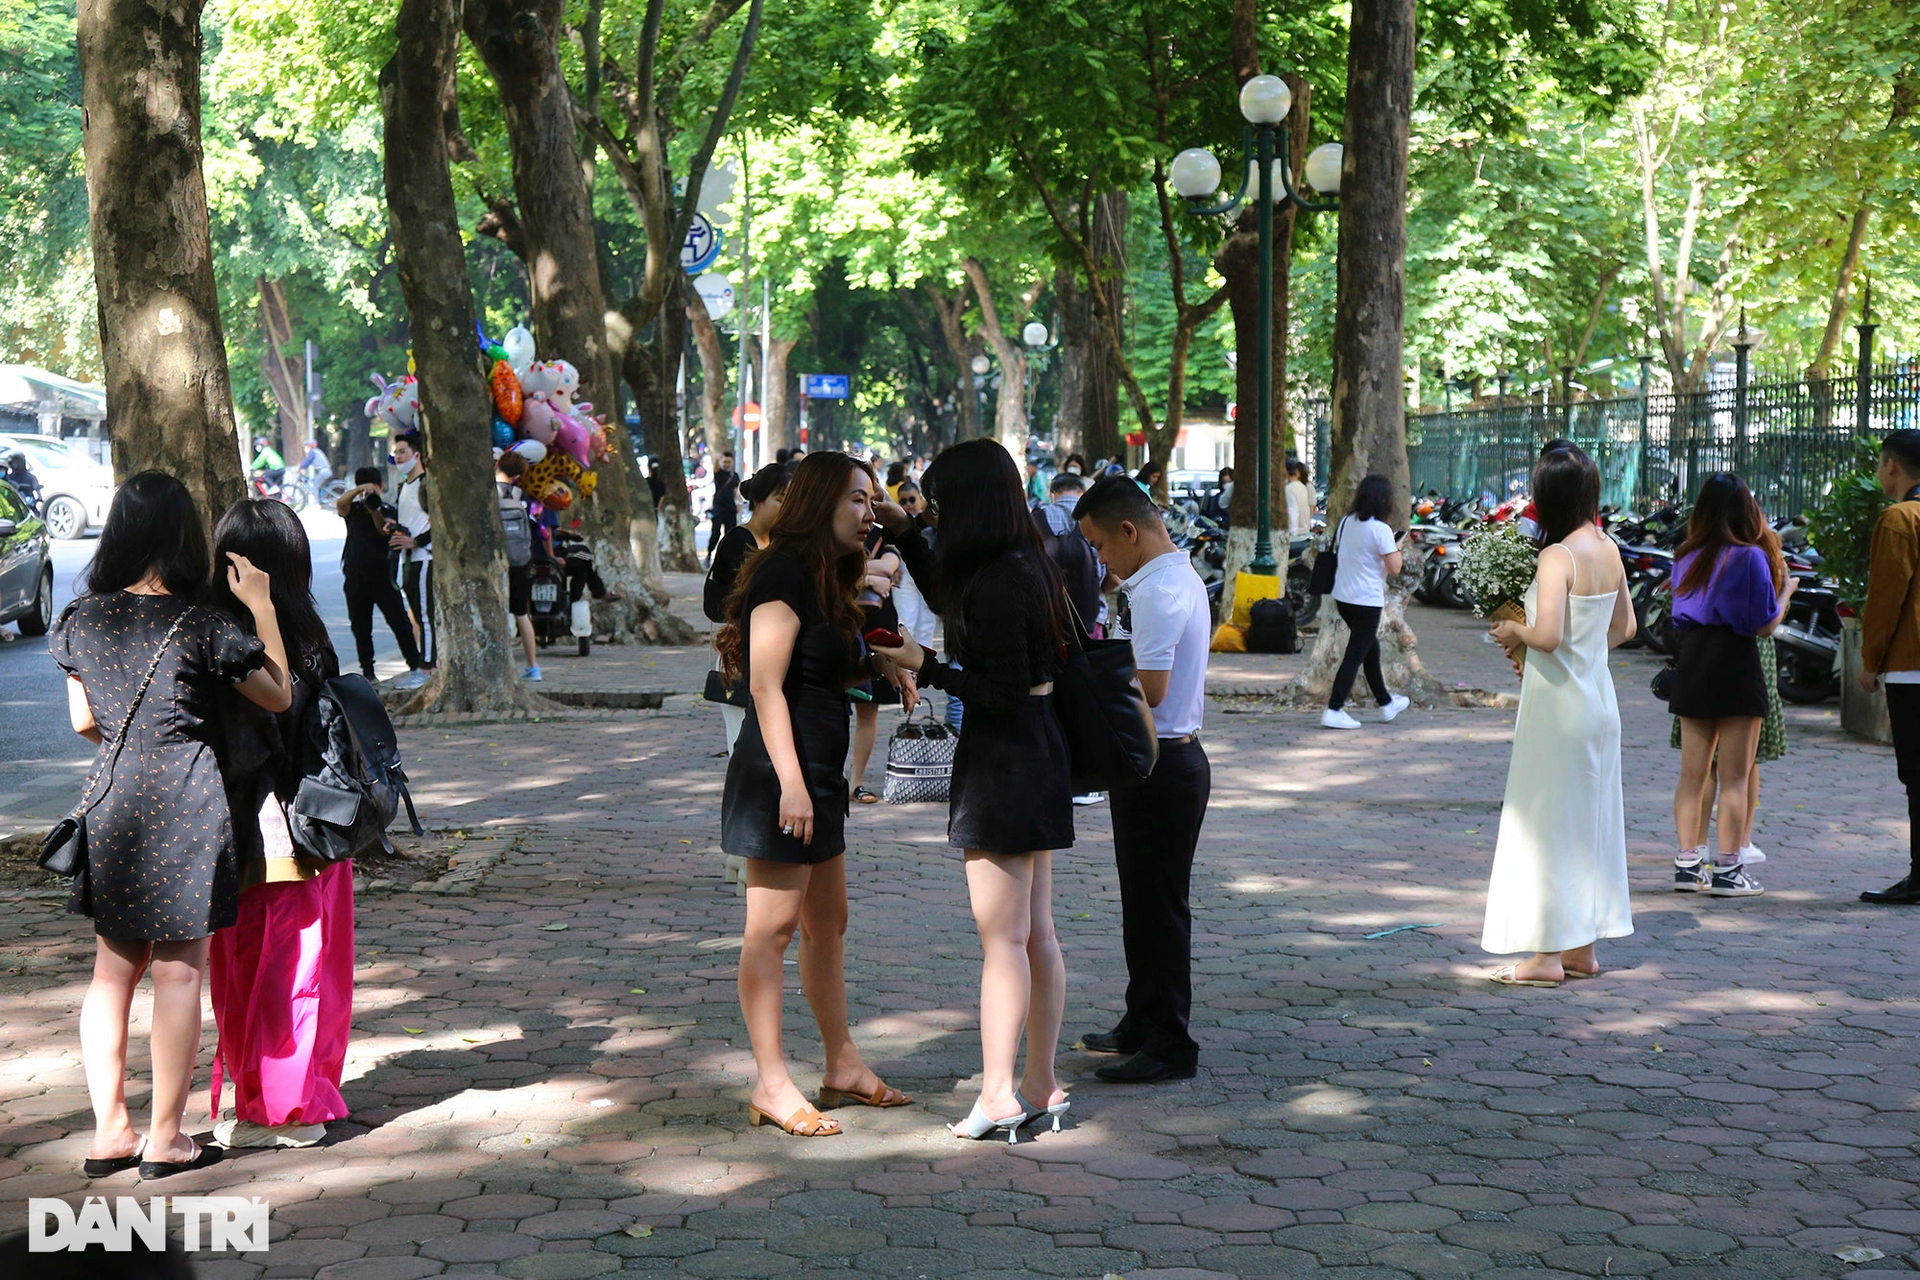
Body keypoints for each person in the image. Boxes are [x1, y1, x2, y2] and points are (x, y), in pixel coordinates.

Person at [51, 472, 294, 1179]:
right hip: (188, 796)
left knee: (110, 974)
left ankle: (109, 1134)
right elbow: (277, 694)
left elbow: (83, 721)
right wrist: (263, 606)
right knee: (181, 973)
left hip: (116, 799)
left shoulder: (81, 618)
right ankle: (165, 1139)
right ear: (185, 536)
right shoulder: (203, 623)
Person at [870, 439, 1073, 1143]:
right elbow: (945, 587)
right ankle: (1042, 1082)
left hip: (1005, 758)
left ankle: (997, 1094)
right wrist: (905, 531)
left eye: (942, 504)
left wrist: (924, 662)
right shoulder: (1027, 562)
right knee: (1036, 934)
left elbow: (1001, 691)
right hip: (1041, 750)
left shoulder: (998, 580)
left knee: (1003, 942)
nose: (937, 515)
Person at [717, 452, 912, 1138]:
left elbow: (827, 663)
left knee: (828, 923)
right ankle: (772, 1082)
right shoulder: (783, 571)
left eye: (873, 499)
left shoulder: (830, 575)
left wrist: (882, 663)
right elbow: (766, 685)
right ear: (821, 501)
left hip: (819, 777)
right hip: (780, 778)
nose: (870, 513)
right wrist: (794, 785)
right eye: (858, 499)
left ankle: (843, 1065)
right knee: (768, 931)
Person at [205, 500, 352, 1150]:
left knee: (256, 969)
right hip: (286, 830)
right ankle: (284, 1104)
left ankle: (276, 1099)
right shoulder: (244, 638)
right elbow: (281, 703)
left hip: (273, 829)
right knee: (291, 968)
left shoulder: (224, 634)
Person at [1073, 476, 1212, 1082]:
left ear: (1129, 531)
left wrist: (1089, 678)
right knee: (1143, 903)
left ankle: (1170, 1042)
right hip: (1158, 762)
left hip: (1165, 762)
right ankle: (1141, 1018)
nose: (1100, 560)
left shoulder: (1158, 591)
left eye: (1100, 546)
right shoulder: (1169, 577)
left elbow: (1149, 690)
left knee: (1159, 908)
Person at [1481, 447, 1636, 985]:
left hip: (1557, 709)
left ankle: (1545, 957)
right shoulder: (1608, 548)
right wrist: (1585, 652)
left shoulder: (1556, 557)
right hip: (1598, 699)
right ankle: (1581, 949)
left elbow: (1545, 634)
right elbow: (1625, 629)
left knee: (1546, 824)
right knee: (1588, 824)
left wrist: (1512, 633)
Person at [1665, 473, 1796, 898]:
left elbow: (1678, 615)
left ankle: (1687, 864)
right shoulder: (1750, 557)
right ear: (1745, 509)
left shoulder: (1686, 554)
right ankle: (1728, 870)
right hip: (1737, 662)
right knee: (1736, 777)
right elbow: (1763, 626)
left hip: (1695, 662)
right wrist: (1786, 596)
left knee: (1692, 775)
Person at [1860, 429, 1920, 904]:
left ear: (1893, 467)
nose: (1879, 472)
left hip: (1911, 666)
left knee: (1916, 775)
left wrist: (1869, 661)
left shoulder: (1900, 519)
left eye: (1881, 463)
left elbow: (1885, 600)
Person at [1320, 475, 1411, 730]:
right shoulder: (1380, 529)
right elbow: (1394, 568)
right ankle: (1334, 709)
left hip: (1344, 598)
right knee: (1355, 654)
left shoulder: (1346, 522)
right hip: (1366, 602)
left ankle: (1385, 703)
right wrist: (1398, 546)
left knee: (1371, 650)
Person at [333, 467, 427, 688]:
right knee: (361, 627)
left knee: (400, 623)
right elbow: (340, 505)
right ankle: (368, 672)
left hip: (383, 577)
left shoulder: (387, 510)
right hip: (355, 577)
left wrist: (374, 508)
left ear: (380, 487)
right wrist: (358, 491)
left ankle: (415, 666)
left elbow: (383, 531)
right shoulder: (353, 509)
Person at [848, 527, 906, 804]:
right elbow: (824, 567)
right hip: (842, 624)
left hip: (877, 627)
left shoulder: (883, 535)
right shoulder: (831, 526)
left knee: (868, 708)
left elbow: (889, 565)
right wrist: (869, 577)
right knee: (831, 704)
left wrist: (855, 573)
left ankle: (856, 781)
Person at [1034, 472, 1103, 636]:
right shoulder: (1098, 519)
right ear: (1084, 492)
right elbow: (1113, 575)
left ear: (1052, 494)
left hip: (1047, 622)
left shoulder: (1034, 521)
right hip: (1090, 620)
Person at [388, 430, 434, 668]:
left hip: (425, 558)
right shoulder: (403, 486)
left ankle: (427, 669)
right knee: (416, 614)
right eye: (396, 452)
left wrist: (416, 542)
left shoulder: (426, 484)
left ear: (417, 455)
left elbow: (439, 523)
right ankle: (422, 667)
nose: (398, 457)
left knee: (426, 617)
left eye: (403, 452)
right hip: (407, 560)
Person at [497, 453, 541, 682]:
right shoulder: (523, 495)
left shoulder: (488, 493)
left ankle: (502, 668)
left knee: (497, 614)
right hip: (521, 561)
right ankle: (533, 667)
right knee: (522, 614)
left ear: (497, 465)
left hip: (497, 561)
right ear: (518, 475)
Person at [889, 481, 938, 648]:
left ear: (921, 499)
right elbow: (889, 546)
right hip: (904, 574)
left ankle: (924, 666)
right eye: (903, 501)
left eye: (912, 499)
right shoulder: (897, 523)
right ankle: (907, 668)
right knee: (906, 622)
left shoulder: (933, 519)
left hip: (930, 573)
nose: (908, 504)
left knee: (926, 623)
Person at [706, 451, 740, 568]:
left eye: (729, 462)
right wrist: (716, 459)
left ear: (732, 462)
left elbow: (736, 491)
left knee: (730, 534)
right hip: (718, 507)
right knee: (715, 532)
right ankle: (709, 554)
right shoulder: (719, 473)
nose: (727, 464)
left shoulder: (734, 476)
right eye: (725, 462)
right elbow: (715, 468)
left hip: (730, 508)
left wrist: (738, 503)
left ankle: (728, 559)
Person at [1286, 461, 1314, 537]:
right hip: (1305, 531)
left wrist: (1293, 534)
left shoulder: (1289, 489)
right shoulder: (1303, 487)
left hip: (1296, 534)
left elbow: (1293, 511)